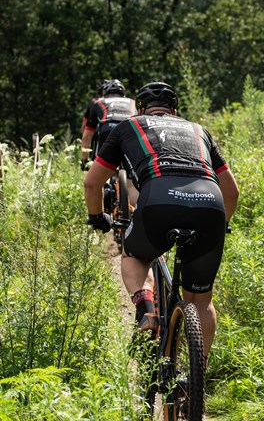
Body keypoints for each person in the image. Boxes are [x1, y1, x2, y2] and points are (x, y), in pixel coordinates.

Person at [84, 81, 239, 363]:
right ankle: (195, 379)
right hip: (211, 206)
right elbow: (232, 191)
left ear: (140, 109)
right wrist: (222, 224)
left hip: (158, 201)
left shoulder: (129, 126)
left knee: (134, 254)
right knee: (201, 301)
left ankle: (146, 310)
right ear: (176, 110)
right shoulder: (198, 130)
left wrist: (97, 217)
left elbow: (92, 183)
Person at [81, 79, 136, 168]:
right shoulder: (132, 102)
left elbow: (87, 135)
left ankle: (104, 180)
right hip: (129, 129)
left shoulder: (99, 102)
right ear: (123, 94)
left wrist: (84, 161)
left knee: (103, 166)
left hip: (108, 128)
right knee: (130, 171)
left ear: (105, 95)